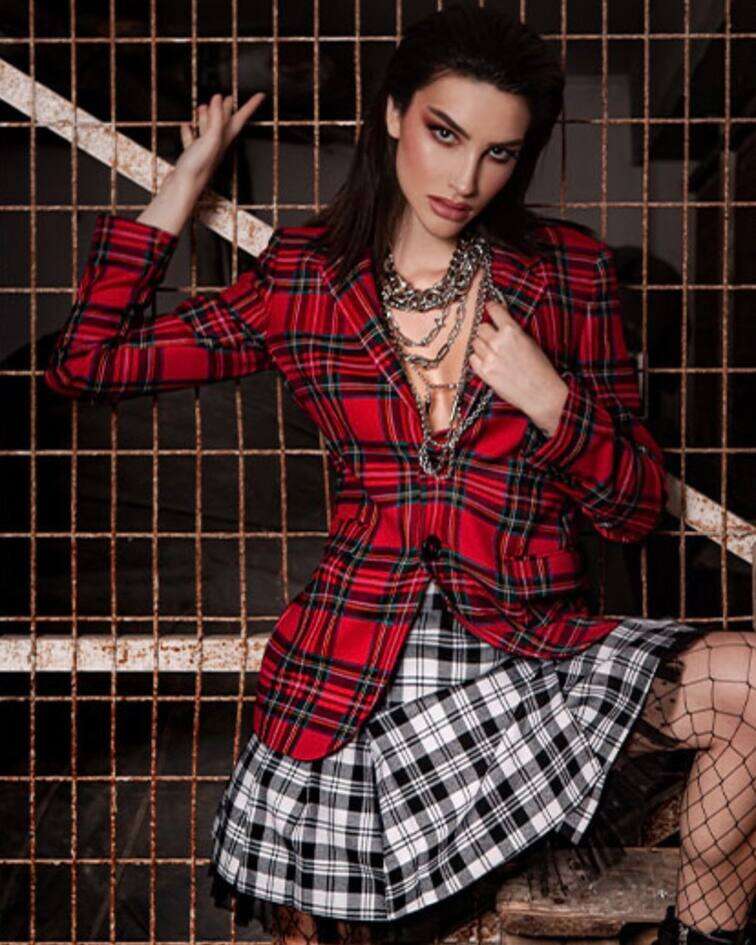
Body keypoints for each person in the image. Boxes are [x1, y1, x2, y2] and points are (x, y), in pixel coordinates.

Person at [43, 5, 755, 945]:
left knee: (749, 687)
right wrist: (187, 178)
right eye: (444, 133)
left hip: (526, 653)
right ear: (393, 114)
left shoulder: (569, 273)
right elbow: (87, 361)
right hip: (352, 667)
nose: (464, 180)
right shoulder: (306, 278)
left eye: (499, 153)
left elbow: (631, 508)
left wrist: (551, 399)